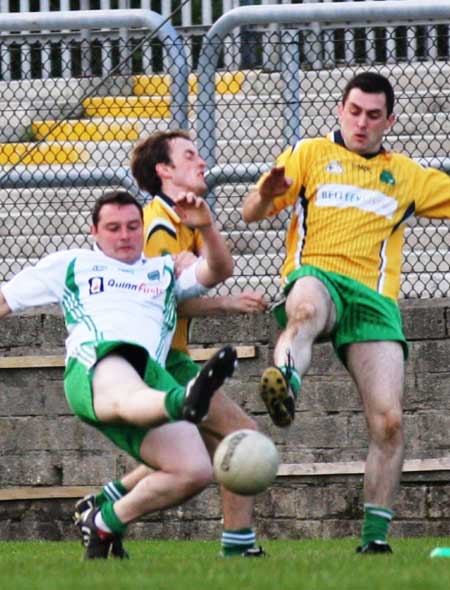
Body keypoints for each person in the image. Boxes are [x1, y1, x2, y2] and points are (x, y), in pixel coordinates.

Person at [242, 71, 450, 554]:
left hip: (374, 301)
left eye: (373, 115)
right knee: (306, 306)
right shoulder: (308, 154)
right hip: (319, 276)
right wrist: (269, 193)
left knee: (389, 422)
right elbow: (250, 212)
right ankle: (286, 383)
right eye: (354, 111)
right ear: (340, 109)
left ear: (389, 120)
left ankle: (374, 543)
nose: (361, 122)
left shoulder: (409, 176)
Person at [0, 189, 239, 560]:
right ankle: (185, 400)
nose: (124, 235)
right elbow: (4, 299)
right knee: (121, 364)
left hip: (150, 379)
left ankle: (104, 521)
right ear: (94, 231)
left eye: (132, 226)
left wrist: (206, 227)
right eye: (113, 228)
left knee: (193, 471)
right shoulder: (72, 263)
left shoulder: (162, 270)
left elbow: (220, 270)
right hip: (95, 367)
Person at [74, 130, 269, 559]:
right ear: (164, 171)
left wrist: (223, 297)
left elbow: (190, 283)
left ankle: (105, 503)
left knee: (201, 448)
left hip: (164, 358)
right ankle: (237, 546)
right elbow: (156, 300)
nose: (202, 162)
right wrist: (226, 303)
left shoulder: (180, 220)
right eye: (190, 155)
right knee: (241, 434)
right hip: (158, 362)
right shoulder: (157, 226)